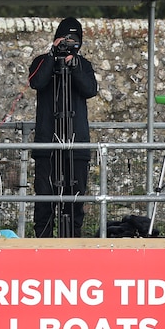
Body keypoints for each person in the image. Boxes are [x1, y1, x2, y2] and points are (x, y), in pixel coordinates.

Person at [27, 17, 98, 238]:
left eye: (73, 40)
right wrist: (52, 56)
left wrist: (73, 66)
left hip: (75, 146)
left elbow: (90, 90)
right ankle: (43, 243)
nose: (68, 43)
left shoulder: (83, 65)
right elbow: (36, 82)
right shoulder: (42, 61)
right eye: (64, 39)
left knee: (74, 201)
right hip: (48, 145)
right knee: (45, 200)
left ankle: (73, 244)